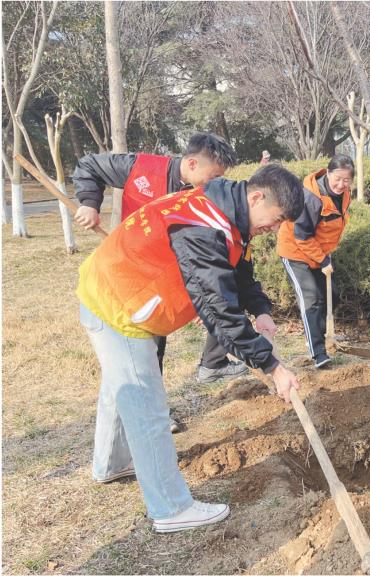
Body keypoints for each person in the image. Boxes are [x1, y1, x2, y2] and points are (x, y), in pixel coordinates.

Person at [77, 164, 304, 532]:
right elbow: (218, 310)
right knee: (147, 407)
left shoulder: (227, 211)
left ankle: (110, 464)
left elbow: (238, 270)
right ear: (256, 197)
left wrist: (260, 310)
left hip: (116, 290)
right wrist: (273, 367)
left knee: (119, 386)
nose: (275, 229)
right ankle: (170, 509)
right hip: (119, 304)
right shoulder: (203, 226)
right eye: (276, 219)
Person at [73, 133, 251, 390]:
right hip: (134, 274)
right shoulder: (141, 168)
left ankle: (194, 374)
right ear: (192, 163)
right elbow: (89, 165)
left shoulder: (207, 195)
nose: (215, 183)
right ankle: (149, 399)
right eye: (213, 176)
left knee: (161, 332)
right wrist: (89, 204)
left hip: (173, 276)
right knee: (146, 342)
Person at [277, 155, 354, 369]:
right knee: (310, 298)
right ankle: (318, 352)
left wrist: (324, 256)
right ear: (328, 173)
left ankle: (318, 335)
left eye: (346, 180)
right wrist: (322, 259)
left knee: (332, 295)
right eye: (337, 179)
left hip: (318, 251)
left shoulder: (344, 194)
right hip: (295, 251)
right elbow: (302, 236)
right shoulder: (311, 198)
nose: (341, 184)